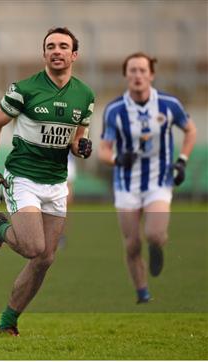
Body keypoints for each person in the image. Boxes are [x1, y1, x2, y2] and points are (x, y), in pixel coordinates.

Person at [0, 27, 95, 336]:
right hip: (24, 178)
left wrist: (80, 147)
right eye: (50, 46)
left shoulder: (85, 95)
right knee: (34, 247)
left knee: (45, 258)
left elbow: (77, 139)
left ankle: (8, 321)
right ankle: (0, 227)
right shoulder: (24, 89)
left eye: (63, 46)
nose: (56, 51)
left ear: (74, 55)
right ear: (43, 54)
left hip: (56, 183)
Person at [98, 52, 197, 304]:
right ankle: (142, 292)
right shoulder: (115, 110)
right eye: (132, 70)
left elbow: (190, 130)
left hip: (159, 180)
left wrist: (182, 160)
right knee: (131, 244)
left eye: (142, 70)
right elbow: (104, 151)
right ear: (126, 75)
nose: (138, 75)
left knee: (154, 234)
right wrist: (118, 160)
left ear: (151, 74)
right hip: (126, 184)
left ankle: (157, 247)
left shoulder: (168, 104)